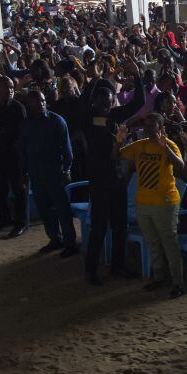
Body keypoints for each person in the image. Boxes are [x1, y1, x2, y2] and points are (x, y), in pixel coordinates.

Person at [83, 59, 147, 284]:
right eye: (101, 104)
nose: (105, 108)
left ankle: (118, 266)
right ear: (95, 104)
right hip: (99, 182)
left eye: (109, 104)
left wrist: (137, 75)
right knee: (99, 226)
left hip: (117, 180)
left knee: (119, 225)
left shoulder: (114, 116)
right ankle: (91, 270)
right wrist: (94, 79)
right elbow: (83, 104)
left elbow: (139, 101)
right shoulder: (88, 118)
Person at [114, 113, 187, 298]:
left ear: (161, 128)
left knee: (169, 243)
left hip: (165, 202)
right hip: (143, 202)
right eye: (145, 126)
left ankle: (178, 283)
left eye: (152, 125)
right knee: (153, 242)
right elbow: (116, 156)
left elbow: (180, 167)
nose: (147, 129)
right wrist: (118, 141)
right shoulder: (140, 145)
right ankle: (159, 277)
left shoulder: (170, 145)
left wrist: (165, 149)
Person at [19, 89, 79, 257]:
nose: (42, 104)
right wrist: (23, 173)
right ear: (29, 105)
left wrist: (66, 169)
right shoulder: (26, 124)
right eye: (37, 102)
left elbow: (67, 151)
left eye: (43, 101)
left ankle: (70, 243)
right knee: (45, 209)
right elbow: (23, 151)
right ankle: (55, 239)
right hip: (36, 174)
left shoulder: (56, 121)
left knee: (63, 210)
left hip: (55, 174)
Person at [0, 73, 27, 238]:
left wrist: (2, 131)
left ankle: (20, 222)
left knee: (17, 190)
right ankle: (4, 218)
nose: (9, 90)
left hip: (14, 154)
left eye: (11, 87)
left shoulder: (18, 107)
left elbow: (23, 133)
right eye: (5, 87)